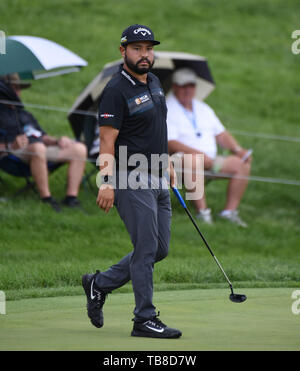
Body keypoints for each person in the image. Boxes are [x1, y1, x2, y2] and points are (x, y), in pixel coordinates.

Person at [82, 24, 182, 339]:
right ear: (123, 50)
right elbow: (106, 143)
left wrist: (167, 162)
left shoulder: (153, 81)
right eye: (137, 48)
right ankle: (144, 319)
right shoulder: (115, 90)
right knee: (146, 246)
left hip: (157, 175)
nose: (144, 54)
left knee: (159, 249)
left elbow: (157, 128)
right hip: (129, 176)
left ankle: (100, 283)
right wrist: (106, 182)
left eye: (149, 48)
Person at [167, 68, 252, 227]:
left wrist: (238, 150)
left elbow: (221, 134)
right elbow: (169, 142)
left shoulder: (202, 107)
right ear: (175, 86)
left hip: (209, 160)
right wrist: (198, 154)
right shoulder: (167, 107)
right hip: (176, 163)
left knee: (241, 164)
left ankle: (229, 212)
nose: (188, 90)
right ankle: (203, 214)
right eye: (183, 86)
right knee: (194, 161)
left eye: (191, 86)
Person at [0, 74, 87, 211]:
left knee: (79, 148)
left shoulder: (24, 114)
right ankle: (46, 198)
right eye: (15, 88)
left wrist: (57, 141)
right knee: (38, 148)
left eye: (19, 88)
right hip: (12, 156)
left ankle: (71, 198)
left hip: (39, 150)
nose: (19, 92)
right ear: (5, 90)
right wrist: (11, 146)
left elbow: (43, 136)